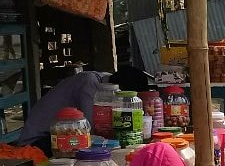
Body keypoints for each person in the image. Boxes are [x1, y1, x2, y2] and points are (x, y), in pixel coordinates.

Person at [19, 66, 152, 154]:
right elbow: (92, 128)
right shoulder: (89, 84)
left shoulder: (107, 80)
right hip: (38, 142)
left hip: (61, 134)